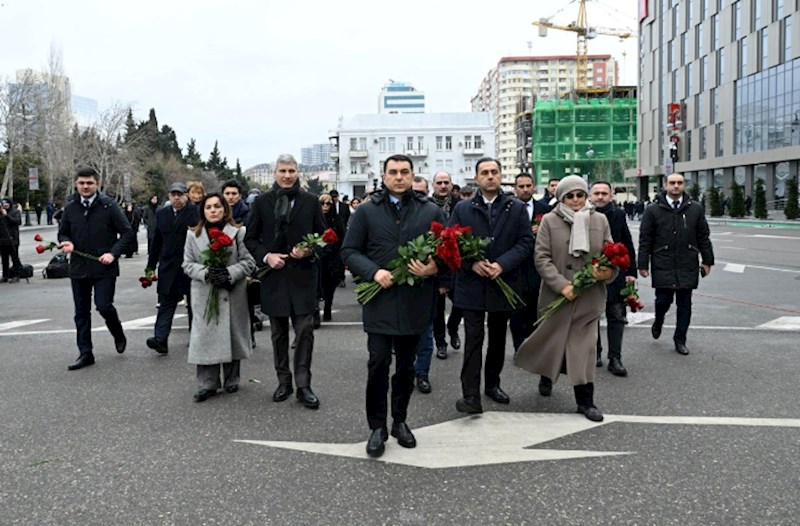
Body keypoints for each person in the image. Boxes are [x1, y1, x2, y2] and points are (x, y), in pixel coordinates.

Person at [341, 154, 445, 458]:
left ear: (413, 175)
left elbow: (449, 250)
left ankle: (400, 421)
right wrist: (374, 271)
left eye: (404, 172)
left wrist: (433, 268)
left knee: (406, 367)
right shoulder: (366, 212)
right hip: (380, 300)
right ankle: (377, 426)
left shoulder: (431, 211)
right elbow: (348, 250)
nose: (399, 177)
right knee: (378, 363)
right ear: (383, 176)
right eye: (393, 172)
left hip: (415, 301)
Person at [514, 176, 615, 422]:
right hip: (556, 297)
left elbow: (610, 252)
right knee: (552, 341)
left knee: (585, 350)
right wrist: (561, 285)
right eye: (570, 196)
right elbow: (542, 258)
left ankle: (585, 401)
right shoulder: (549, 220)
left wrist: (609, 271)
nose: (576, 200)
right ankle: (546, 375)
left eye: (580, 195)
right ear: (561, 198)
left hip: (589, 297)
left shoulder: (600, 220)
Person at [448, 157, 533, 414]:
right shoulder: (463, 209)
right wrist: (471, 263)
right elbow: (450, 243)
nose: (490, 176)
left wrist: (502, 265)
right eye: (484, 173)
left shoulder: (515, 207)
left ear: (500, 175)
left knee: (497, 339)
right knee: (474, 339)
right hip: (472, 284)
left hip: (502, 282)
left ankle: (492, 385)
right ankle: (470, 395)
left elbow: (525, 243)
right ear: (476, 178)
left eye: (494, 172)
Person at [245, 154, 327, 410]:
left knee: (305, 332)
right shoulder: (261, 202)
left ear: (298, 172)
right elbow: (250, 239)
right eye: (283, 170)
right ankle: (284, 381)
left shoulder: (311, 201)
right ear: (275, 173)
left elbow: (324, 236)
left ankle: (304, 385)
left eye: (292, 170)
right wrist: (267, 257)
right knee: (278, 334)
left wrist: (310, 251)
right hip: (275, 278)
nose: (287, 175)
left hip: (303, 277)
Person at [58, 167, 134, 371]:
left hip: (104, 267)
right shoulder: (71, 206)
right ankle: (85, 353)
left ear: (97, 184)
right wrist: (67, 243)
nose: (85, 186)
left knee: (104, 306)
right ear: (76, 183)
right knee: (81, 312)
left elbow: (127, 233)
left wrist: (113, 253)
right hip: (78, 268)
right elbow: (63, 233)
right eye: (81, 182)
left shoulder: (109, 205)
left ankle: (117, 332)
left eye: (89, 183)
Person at [183, 193, 255, 402]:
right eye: (208, 207)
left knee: (231, 333)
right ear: (203, 211)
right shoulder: (192, 235)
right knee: (206, 337)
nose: (213, 210)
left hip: (231, 292)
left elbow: (249, 261)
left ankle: (232, 379)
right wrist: (206, 272)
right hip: (205, 292)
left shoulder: (238, 232)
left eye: (217, 206)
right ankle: (207, 383)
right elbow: (187, 264)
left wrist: (230, 273)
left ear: (225, 209)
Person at [638, 172, 714, 356]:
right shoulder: (653, 210)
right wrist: (642, 264)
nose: (676, 186)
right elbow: (645, 239)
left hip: (687, 261)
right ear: (665, 185)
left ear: (684, 186)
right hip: (662, 261)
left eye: (679, 183)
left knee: (685, 303)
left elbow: (703, 236)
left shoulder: (695, 209)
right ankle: (659, 320)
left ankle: (680, 340)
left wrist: (707, 260)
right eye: (672, 183)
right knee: (662, 300)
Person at [145, 183, 199, 354]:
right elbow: (156, 242)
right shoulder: (162, 213)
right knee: (166, 303)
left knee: (194, 304)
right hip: (168, 266)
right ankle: (160, 339)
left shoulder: (196, 213)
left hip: (191, 265)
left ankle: (196, 338)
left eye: (180, 194)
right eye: (173, 194)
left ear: (186, 196)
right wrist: (150, 267)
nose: (176, 198)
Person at [590, 181, 636, 375]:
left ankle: (615, 357)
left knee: (616, 315)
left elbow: (627, 243)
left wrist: (631, 271)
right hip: (590, 274)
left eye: (604, 193)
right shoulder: (583, 215)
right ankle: (595, 353)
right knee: (591, 317)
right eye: (597, 193)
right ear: (590, 195)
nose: (600, 197)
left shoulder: (618, 215)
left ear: (611, 195)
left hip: (615, 274)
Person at [509, 173, 551, 352]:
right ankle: (519, 347)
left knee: (536, 307)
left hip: (538, 266)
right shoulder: (508, 209)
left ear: (534, 186)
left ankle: (534, 346)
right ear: (515, 188)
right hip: (515, 267)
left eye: (528, 186)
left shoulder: (546, 209)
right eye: (521, 186)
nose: (525, 189)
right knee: (517, 310)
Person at [429, 171, 463, 361]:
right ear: (433, 185)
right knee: (437, 308)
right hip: (436, 263)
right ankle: (441, 343)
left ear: (451, 185)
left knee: (460, 303)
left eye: (446, 182)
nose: (443, 186)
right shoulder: (426, 207)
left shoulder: (461, 206)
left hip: (457, 264)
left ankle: (453, 328)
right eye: (439, 182)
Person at [317, 193, 345, 322]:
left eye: (328, 203)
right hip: (318, 255)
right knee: (317, 283)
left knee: (330, 283)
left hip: (333, 255)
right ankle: (315, 310)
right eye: (322, 203)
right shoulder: (314, 218)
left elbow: (343, 236)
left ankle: (327, 307)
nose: (325, 206)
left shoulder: (336, 219)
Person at [0, 198, 24, 283]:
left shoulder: (15, 212)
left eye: (6, 204)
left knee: (14, 258)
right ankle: (5, 275)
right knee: (4, 259)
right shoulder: (1, 213)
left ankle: (16, 275)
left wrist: (6, 215)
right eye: (3, 204)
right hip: (2, 239)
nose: (4, 206)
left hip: (12, 239)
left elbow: (17, 222)